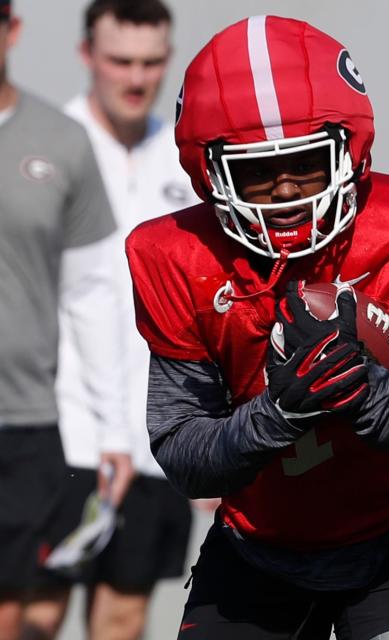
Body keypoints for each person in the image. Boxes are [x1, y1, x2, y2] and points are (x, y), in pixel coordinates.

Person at [126, 15, 389, 640]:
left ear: (350, 151)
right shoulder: (174, 254)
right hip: (259, 546)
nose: (287, 191)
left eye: (308, 165)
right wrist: (280, 416)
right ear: (210, 174)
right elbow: (184, 454)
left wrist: (363, 391)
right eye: (257, 173)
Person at [24, 1, 197, 638]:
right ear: (86, 55)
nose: (136, 77)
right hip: (54, 432)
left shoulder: (185, 163)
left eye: (152, 62)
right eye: (120, 60)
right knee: (32, 615)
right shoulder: (40, 152)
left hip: (155, 434)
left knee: (123, 618)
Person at [0, 1, 129, 638]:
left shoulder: (59, 141)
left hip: (29, 419)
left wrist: (113, 431)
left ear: (11, 29)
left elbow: (91, 296)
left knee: (27, 611)